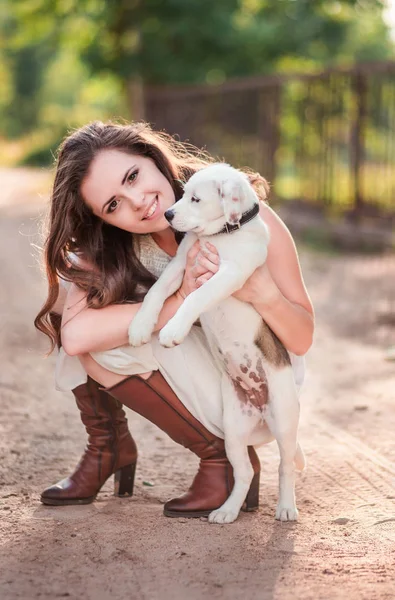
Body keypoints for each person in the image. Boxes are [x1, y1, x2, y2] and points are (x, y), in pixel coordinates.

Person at [34, 120, 314, 517]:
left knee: (114, 333)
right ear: (102, 218)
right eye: (113, 205)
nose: (137, 202)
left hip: (263, 382)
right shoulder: (116, 245)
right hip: (209, 373)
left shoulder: (242, 214)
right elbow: (76, 339)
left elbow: (302, 339)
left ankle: (222, 462)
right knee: (90, 332)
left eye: (133, 176)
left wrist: (261, 292)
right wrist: (180, 296)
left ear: (152, 157)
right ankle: (110, 447)